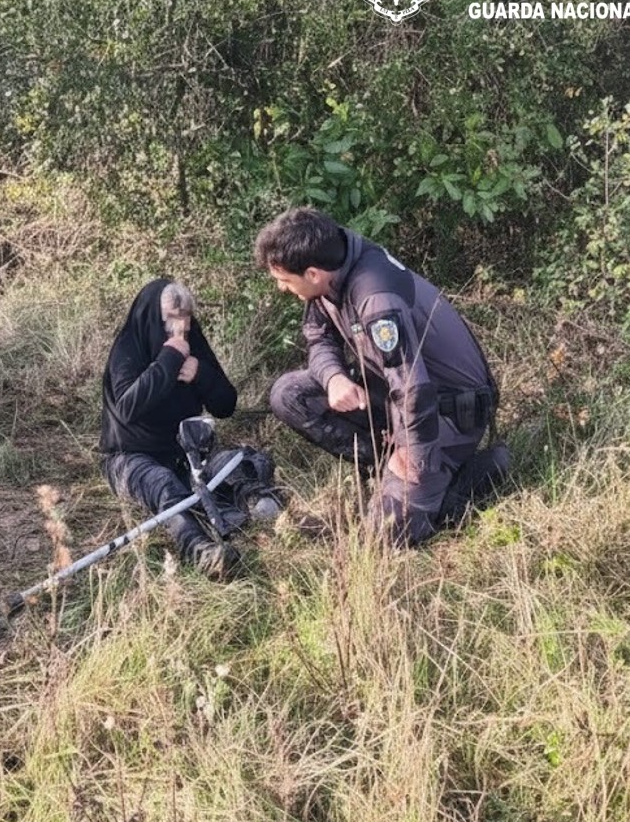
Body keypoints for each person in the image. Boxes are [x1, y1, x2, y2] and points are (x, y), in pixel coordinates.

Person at [254, 207, 508, 546]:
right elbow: (318, 337)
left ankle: (464, 483)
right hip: (396, 397)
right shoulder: (331, 266)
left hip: (446, 412)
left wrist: (413, 459)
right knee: (289, 394)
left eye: (284, 280)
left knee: (383, 540)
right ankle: (389, 471)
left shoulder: (375, 297)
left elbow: (413, 390)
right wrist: (334, 378)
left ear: (312, 273)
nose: (281, 288)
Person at [99, 278, 277, 578]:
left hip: (187, 453)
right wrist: (169, 359)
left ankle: (254, 501)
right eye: (171, 321)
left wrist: (201, 374)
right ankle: (202, 551)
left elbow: (226, 405)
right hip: (129, 457)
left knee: (238, 463)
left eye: (186, 320)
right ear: (155, 318)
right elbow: (128, 408)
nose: (180, 330)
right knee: (163, 483)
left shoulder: (194, 344)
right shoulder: (127, 349)